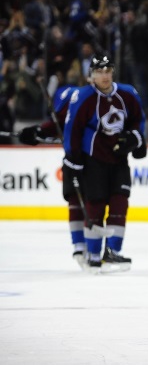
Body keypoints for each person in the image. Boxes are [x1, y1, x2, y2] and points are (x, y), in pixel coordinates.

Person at [63, 55, 147, 273]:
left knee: (120, 203)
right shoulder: (83, 97)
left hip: (119, 159)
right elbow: (73, 128)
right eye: (100, 71)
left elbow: (138, 120)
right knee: (96, 205)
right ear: (92, 74)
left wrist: (135, 138)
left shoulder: (127, 93)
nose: (104, 75)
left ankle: (112, 252)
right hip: (94, 160)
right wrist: (73, 158)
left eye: (108, 70)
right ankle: (92, 254)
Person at [18, 85, 89, 268]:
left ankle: (88, 246)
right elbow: (55, 125)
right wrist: (36, 132)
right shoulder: (73, 100)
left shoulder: (89, 100)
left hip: (94, 161)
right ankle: (80, 245)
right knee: (75, 201)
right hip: (74, 161)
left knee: (91, 203)